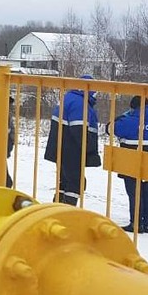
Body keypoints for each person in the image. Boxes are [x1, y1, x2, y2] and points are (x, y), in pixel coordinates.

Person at [113, 96, 148, 233]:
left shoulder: (128, 121)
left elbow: (110, 128)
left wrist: (121, 117)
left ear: (134, 107)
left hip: (131, 163)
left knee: (134, 192)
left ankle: (136, 223)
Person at [45, 76, 100, 205]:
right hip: (72, 150)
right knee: (74, 183)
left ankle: (56, 208)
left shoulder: (68, 98)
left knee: (63, 181)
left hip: (61, 148)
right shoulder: (79, 103)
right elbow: (79, 131)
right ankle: (68, 210)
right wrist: (90, 150)